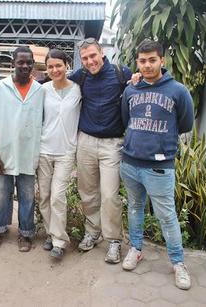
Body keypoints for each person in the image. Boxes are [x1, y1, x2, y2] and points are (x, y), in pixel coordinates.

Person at [120, 39, 194, 290]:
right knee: (134, 208)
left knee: (166, 216)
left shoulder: (178, 91)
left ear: (162, 60)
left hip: (159, 167)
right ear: (137, 63)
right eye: (142, 61)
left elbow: (185, 124)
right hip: (130, 163)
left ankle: (178, 263)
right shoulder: (131, 90)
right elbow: (125, 119)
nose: (147, 65)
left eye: (152, 60)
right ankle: (136, 248)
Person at [69, 38, 132, 263]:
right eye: (85, 58)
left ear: (102, 53)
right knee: (87, 192)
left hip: (112, 144)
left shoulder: (120, 73)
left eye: (93, 56)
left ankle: (114, 240)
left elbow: (140, 85)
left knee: (109, 194)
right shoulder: (81, 76)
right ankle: (92, 232)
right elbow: (57, 82)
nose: (89, 61)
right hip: (85, 141)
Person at [0, 46, 44, 252]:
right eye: (20, 62)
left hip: (28, 153)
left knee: (27, 196)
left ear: (33, 64)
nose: (24, 66)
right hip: (3, 153)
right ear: (13, 63)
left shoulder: (40, 91)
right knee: (0, 194)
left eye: (28, 62)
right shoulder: (0, 88)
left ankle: (26, 233)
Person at [37, 49, 82, 259]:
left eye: (59, 65)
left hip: (66, 151)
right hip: (44, 150)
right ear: (46, 68)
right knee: (44, 196)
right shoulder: (43, 90)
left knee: (57, 196)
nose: (55, 70)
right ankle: (50, 232)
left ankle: (59, 242)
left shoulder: (78, 90)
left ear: (67, 66)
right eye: (50, 66)